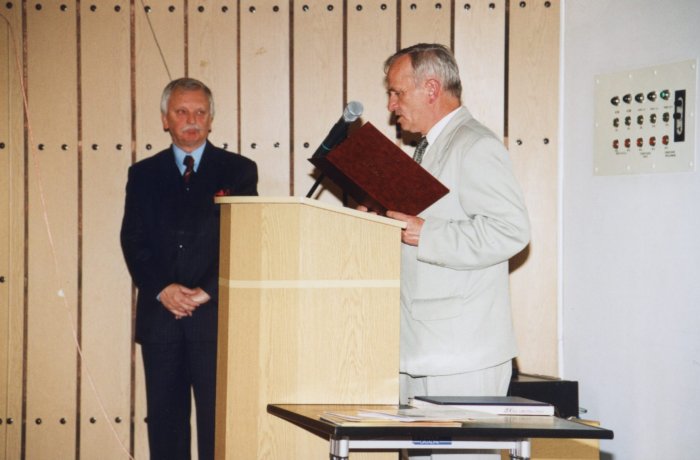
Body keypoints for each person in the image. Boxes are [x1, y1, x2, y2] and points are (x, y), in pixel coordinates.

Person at [380, 44, 530, 459]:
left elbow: (511, 230)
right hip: (423, 348)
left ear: (431, 88)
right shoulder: (428, 148)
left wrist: (427, 235)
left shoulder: (475, 145)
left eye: (397, 93)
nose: (391, 106)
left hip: (462, 356)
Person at [120, 77, 258, 460]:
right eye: (181, 111)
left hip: (214, 318)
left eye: (200, 112)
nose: (192, 120)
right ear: (165, 119)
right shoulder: (142, 174)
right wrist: (163, 288)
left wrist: (207, 290)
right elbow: (133, 240)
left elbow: (243, 237)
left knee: (218, 426)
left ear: (211, 119)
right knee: (166, 428)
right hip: (161, 318)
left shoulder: (238, 171)